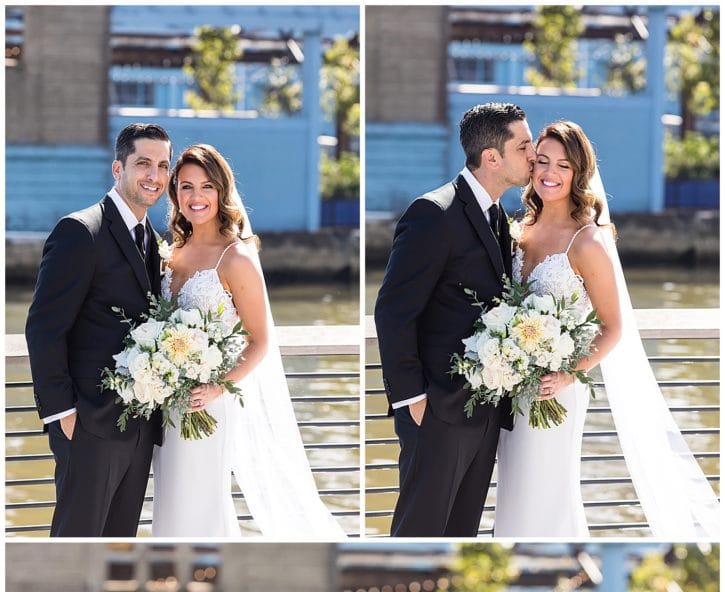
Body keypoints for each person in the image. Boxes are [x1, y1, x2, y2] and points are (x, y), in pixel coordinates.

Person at [495, 120, 720, 539]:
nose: (549, 172)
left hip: (559, 389)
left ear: (578, 173)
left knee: (548, 490)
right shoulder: (517, 230)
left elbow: (613, 327)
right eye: (541, 161)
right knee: (513, 490)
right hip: (512, 387)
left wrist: (567, 373)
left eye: (562, 165)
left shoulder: (588, 242)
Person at [152, 144, 346, 538]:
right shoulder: (170, 251)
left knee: (202, 499)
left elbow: (259, 341)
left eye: (206, 186)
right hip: (165, 401)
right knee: (171, 501)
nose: (196, 197)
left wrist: (215, 387)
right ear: (175, 193)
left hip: (209, 403)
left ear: (221, 191)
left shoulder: (235, 258)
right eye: (186, 187)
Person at [375, 103, 535, 538]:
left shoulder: (498, 216)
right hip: (438, 412)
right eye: (523, 146)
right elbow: (392, 310)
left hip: (483, 413)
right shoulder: (433, 213)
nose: (533, 154)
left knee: (462, 537)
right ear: (491, 157)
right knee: (418, 533)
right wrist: (413, 401)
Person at [25, 123, 171, 537]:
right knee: (76, 542)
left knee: (118, 542)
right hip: (88, 424)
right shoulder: (80, 231)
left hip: (139, 427)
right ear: (117, 168)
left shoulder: (153, 241)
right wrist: (63, 414)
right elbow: (43, 328)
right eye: (143, 163)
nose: (154, 176)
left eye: (162, 165)